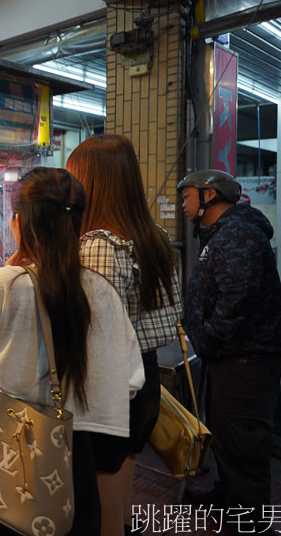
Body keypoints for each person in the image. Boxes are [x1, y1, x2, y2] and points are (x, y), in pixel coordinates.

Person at [0, 168, 144, 536]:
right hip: (74, 453)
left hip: (6, 445)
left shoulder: (7, 282)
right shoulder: (101, 289)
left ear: (19, 223)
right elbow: (131, 380)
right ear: (77, 222)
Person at [67, 135, 182, 536]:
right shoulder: (154, 236)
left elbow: (94, 330)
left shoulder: (98, 244)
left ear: (92, 182)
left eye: (74, 176)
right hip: (144, 378)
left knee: (100, 502)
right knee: (120, 481)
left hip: (111, 387)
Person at [177, 169, 281, 516]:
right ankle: (229, 498)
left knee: (243, 443)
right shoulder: (223, 233)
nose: (182, 204)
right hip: (231, 359)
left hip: (245, 362)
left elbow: (237, 297)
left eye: (187, 196)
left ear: (210, 196)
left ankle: (250, 519)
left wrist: (207, 337)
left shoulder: (237, 233)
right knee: (227, 435)